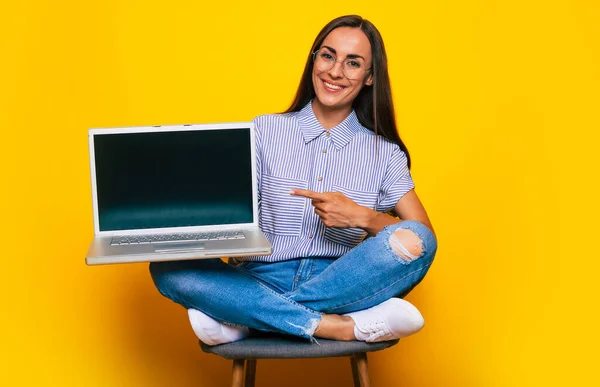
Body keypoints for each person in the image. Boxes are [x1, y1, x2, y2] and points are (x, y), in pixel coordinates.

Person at [150, 15, 437, 345]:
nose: (334, 72)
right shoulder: (263, 130)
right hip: (257, 277)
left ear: (370, 77)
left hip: (340, 282)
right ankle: (335, 326)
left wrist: (362, 217)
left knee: (417, 239)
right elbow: (227, 209)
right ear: (314, 60)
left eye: (353, 63)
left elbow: (423, 237)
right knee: (168, 266)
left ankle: (245, 317)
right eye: (327, 56)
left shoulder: (384, 152)